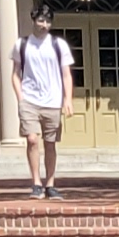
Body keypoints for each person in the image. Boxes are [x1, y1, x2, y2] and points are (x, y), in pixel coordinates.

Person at [15, 12, 75, 202]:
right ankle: (36, 183)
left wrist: (68, 99)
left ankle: (50, 184)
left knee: (50, 143)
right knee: (32, 140)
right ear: (33, 21)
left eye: (48, 21)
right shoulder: (22, 45)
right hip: (29, 100)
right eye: (41, 20)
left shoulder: (58, 45)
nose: (44, 24)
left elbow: (66, 75)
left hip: (52, 101)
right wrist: (21, 97)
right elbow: (15, 73)